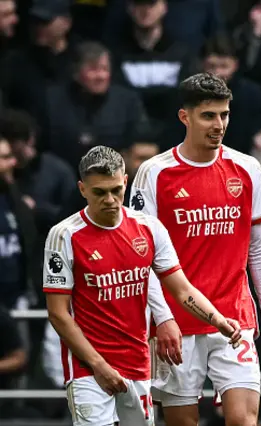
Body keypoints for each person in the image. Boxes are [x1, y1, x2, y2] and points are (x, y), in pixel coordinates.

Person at [129, 72, 261, 426]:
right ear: (185, 116)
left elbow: (259, 251)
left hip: (235, 317)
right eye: (208, 116)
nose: (219, 125)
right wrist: (162, 319)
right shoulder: (154, 174)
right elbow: (143, 259)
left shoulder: (247, 169)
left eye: (224, 115)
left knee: (244, 420)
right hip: (176, 323)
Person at [43, 146, 241, 426]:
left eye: (116, 190)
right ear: (82, 189)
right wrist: (99, 366)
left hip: (137, 362)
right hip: (87, 367)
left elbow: (182, 290)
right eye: (99, 192)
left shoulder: (149, 228)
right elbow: (58, 314)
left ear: (125, 182)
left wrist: (218, 320)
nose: (110, 200)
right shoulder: (64, 235)